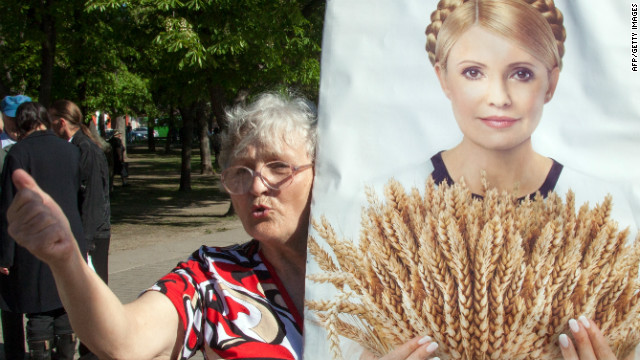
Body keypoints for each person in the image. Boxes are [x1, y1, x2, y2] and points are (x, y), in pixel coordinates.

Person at [4, 92, 440, 360]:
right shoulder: (213, 277)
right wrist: (65, 258)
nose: (257, 186)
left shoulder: (394, 275)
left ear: (322, 175)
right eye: (241, 172)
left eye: (278, 167)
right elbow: (124, 343)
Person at [424, 0, 635, 358]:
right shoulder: (385, 202)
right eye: (473, 72)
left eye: (521, 73)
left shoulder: (602, 207)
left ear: (551, 81)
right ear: (443, 77)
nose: (499, 98)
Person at [0, 101, 85, 360]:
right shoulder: (69, 151)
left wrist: (5, 256)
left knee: (38, 309)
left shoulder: (18, 154)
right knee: (63, 304)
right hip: (68, 236)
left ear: (21, 123)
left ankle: (41, 353)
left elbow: (8, 208)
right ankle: (67, 352)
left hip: (35, 241)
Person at [49, 100, 111, 359]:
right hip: (89, 233)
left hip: (92, 235)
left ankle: (94, 351)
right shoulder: (79, 146)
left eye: (52, 121)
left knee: (91, 299)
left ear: (61, 122)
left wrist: (84, 241)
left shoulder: (85, 149)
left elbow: (93, 199)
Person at [0, 94, 31, 360]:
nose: (13, 122)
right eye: (9, 116)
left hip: (30, 228)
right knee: (8, 299)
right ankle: (13, 350)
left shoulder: (33, 145)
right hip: (6, 227)